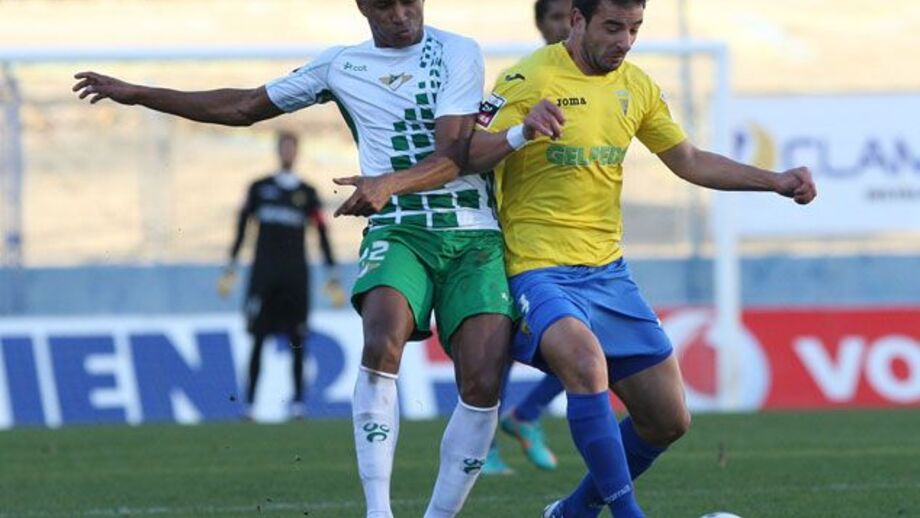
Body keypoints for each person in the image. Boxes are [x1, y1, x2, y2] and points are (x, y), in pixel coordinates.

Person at [72, 1, 514, 517]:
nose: (400, 14)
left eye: (408, 1)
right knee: (382, 337)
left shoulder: (458, 51)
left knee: (483, 382)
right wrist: (142, 94)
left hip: (473, 232)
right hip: (400, 229)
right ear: (362, 6)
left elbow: (454, 152)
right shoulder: (340, 66)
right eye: (385, 4)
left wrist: (388, 182)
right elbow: (243, 107)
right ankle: (379, 511)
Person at [468, 0, 817, 515]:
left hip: (609, 274)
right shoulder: (527, 77)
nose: (625, 41)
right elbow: (469, 151)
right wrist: (518, 132)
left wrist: (775, 182)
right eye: (613, 27)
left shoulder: (638, 87)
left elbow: (690, 160)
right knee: (587, 367)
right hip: (536, 270)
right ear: (577, 20)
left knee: (667, 419)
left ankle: (572, 511)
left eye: (634, 28)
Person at [483, 0, 571, 476]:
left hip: (575, 244)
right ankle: (487, 444)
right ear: (542, 24)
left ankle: (527, 415)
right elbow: (476, 147)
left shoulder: (602, 80)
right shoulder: (522, 79)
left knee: (587, 345)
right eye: (554, 17)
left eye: (569, 15)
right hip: (517, 242)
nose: (563, 25)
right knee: (498, 350)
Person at [217, 131, 341, 421]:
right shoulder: (259, 188)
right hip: (263, 274)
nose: (288, 153)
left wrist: (332, 272)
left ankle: (298, 404)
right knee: (258, 338)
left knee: (298, 339)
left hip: (295, 275)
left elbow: (322, 234)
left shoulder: (307, 193)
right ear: (278, 151)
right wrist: (231, 266)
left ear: (297, 152)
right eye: (283, 148)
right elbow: (241, 227)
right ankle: (250, 406)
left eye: (292, 148)